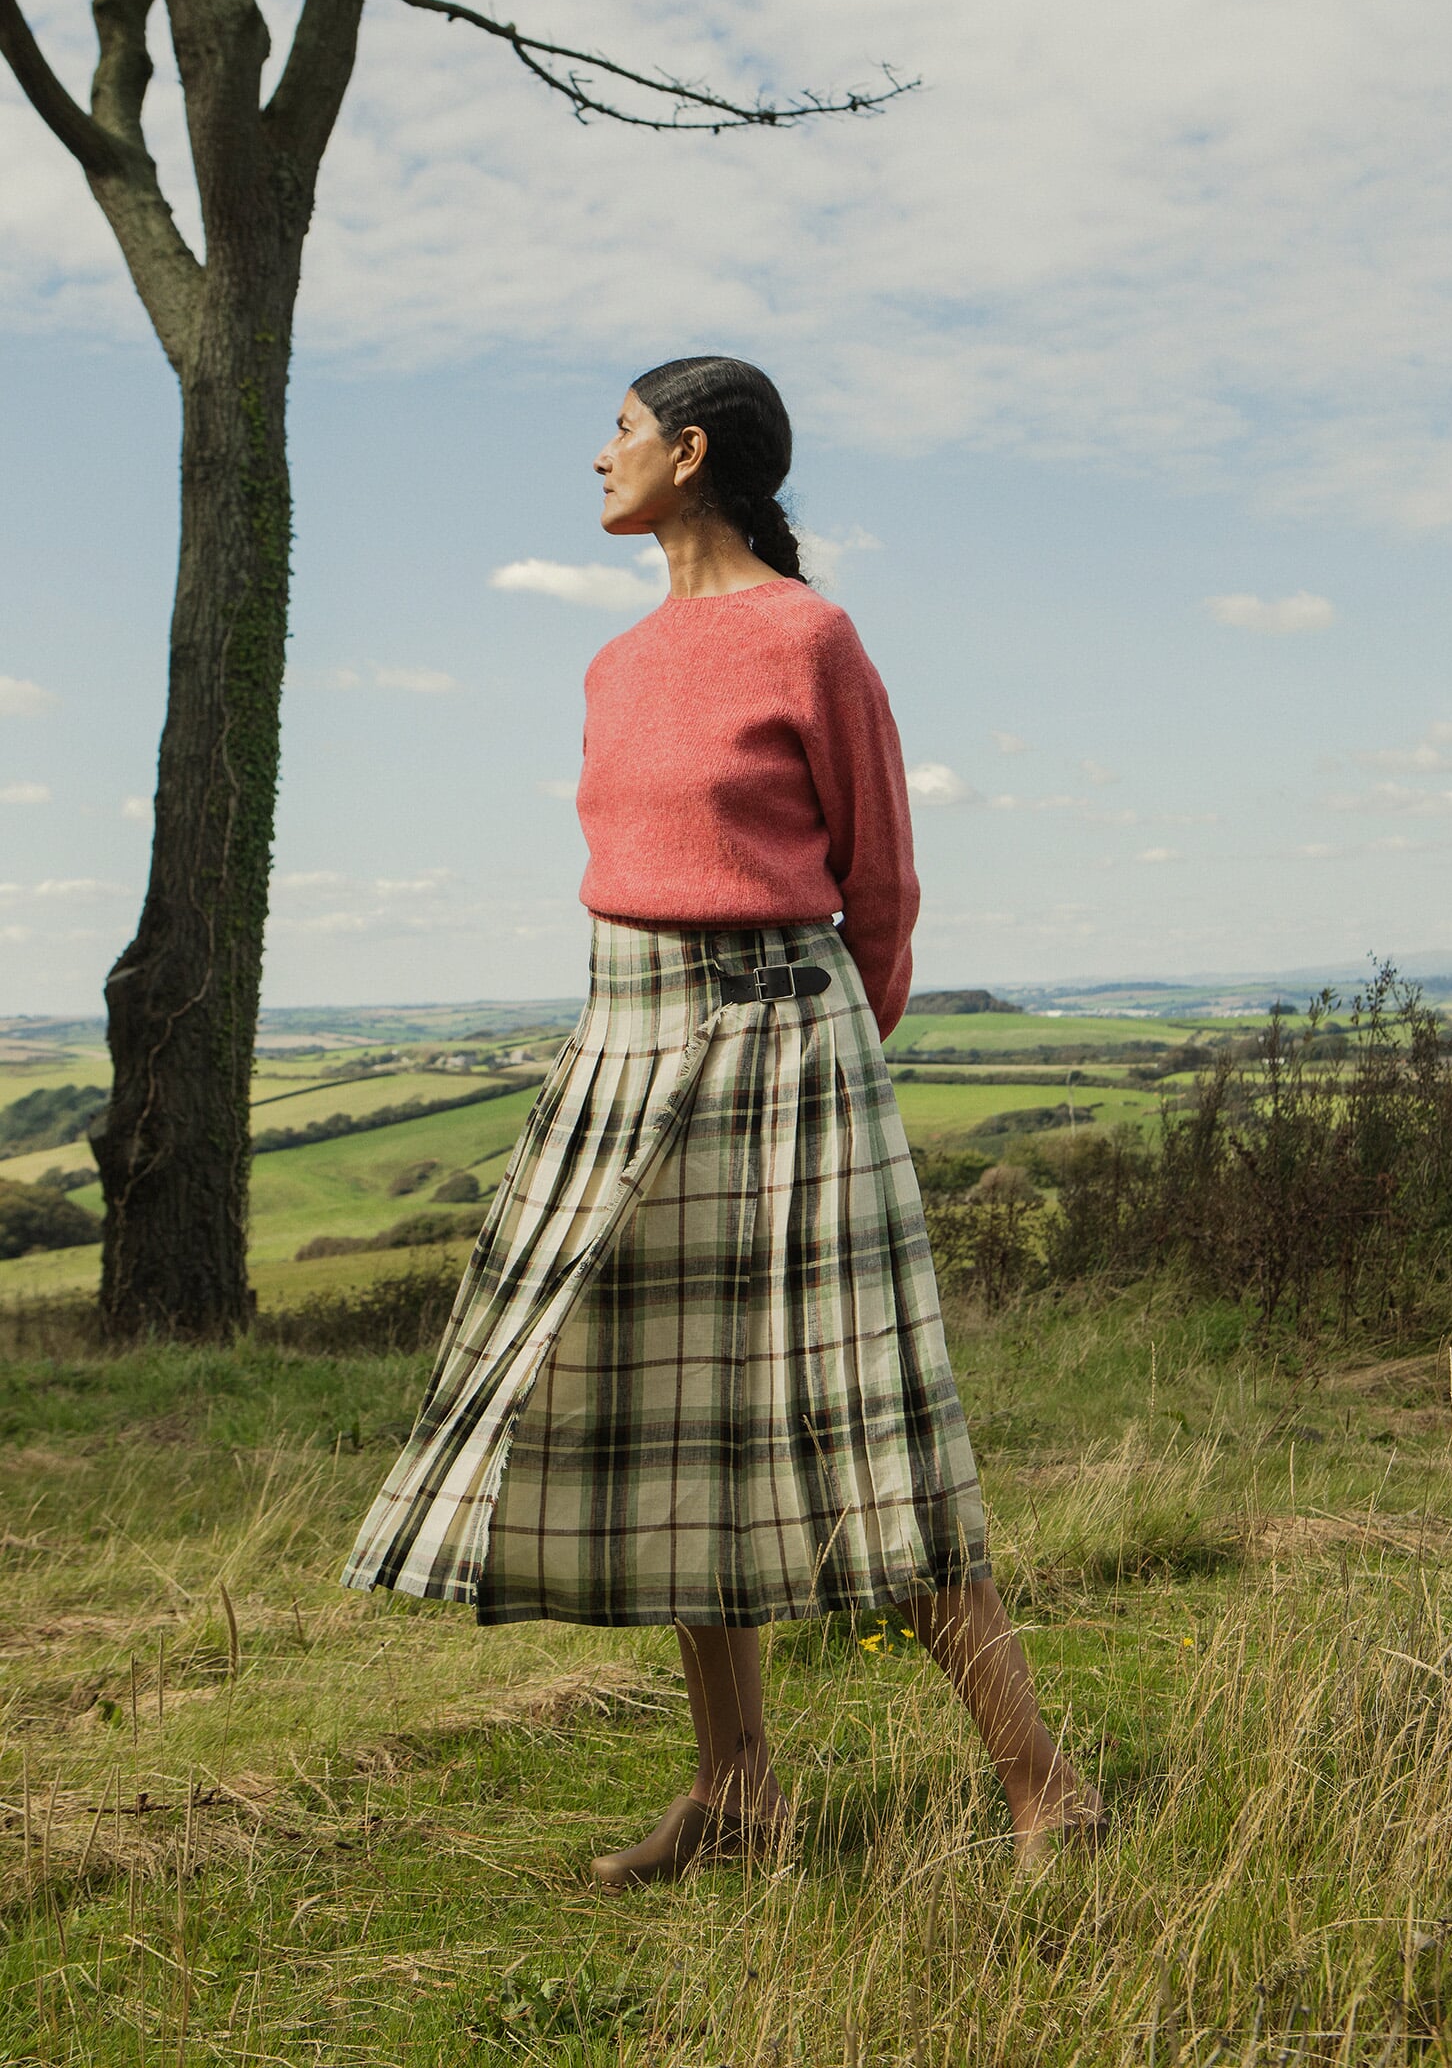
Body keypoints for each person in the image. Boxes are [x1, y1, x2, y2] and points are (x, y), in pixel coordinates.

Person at [343, 355, 1102, 1888]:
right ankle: (736, 1789)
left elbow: (878, 889)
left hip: (781, 1047)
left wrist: (826, 1071)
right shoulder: (615, 664)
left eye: (619, 430)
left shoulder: (810, 637)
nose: (599, 454)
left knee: (861, 1421)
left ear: (689, 454)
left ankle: (1044, 1784)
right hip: (620, 1040)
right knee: (672, 1421)